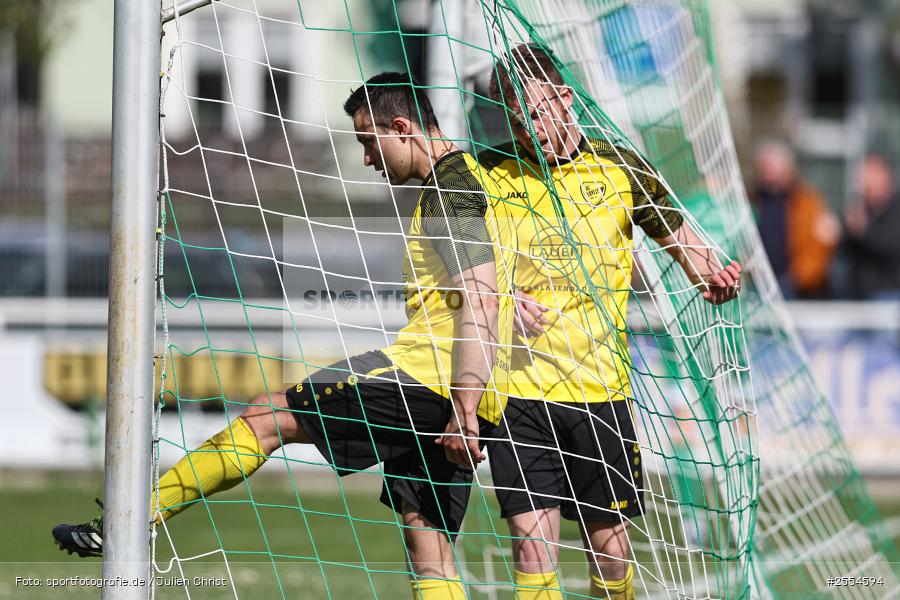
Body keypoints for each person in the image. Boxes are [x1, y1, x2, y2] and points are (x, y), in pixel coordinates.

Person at [52, 72, 516, 600]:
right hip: (469, 387)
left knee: (267, 417)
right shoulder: (474, 179)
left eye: (369, 141)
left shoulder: (451, 189)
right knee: (426, 539)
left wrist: (464, 405)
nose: (367, 158)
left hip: (430, 379)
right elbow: (499, 285)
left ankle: (127, 524)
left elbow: (480, 298)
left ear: (403, 127)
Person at [480, 45, 742, 600]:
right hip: (517, 395)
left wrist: (712, 278)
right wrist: (503, 301)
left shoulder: (620, 166)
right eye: (513, 116)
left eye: (534, 110)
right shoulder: (490, 173)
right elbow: (458, 272)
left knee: (613, 552)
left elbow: (685, 245)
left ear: (564, 98)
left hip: (601, 390)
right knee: (531, 548)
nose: (525, 128)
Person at [751, 141, 838, 299]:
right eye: (763, 166)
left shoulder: (808, 202)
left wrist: (797, 277)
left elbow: (820, 245)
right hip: (757, 281)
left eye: (770, 166)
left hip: (792, 285)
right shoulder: (752, 200)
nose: (766, 171)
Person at [843, 154, 900, 299]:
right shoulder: (862, 208)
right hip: (859, 294)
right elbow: (846, 252)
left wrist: (864, 232)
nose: (863, 183)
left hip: (888, 294)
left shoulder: (894, 209)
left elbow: (890, 245)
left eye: (869, 176)